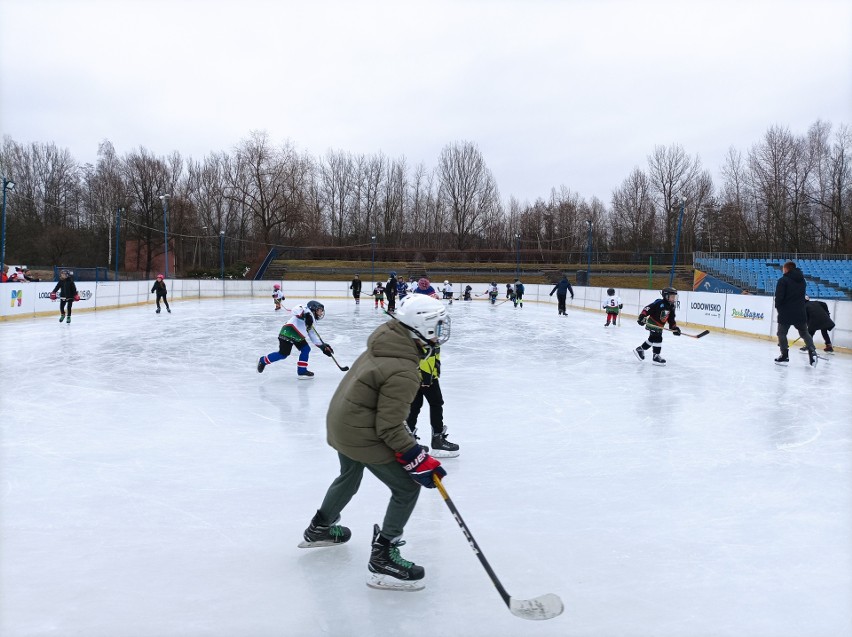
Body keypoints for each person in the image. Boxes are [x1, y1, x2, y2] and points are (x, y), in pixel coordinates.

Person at [298, 294, 450, 592]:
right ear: (424, 327)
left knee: (349, 473)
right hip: (359, 430)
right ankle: (383, 558)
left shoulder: (389, 338)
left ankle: (320, 528)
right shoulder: (405, 369)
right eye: (439, 325)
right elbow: (390, 426)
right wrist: (416, 457)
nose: (443, 330)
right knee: (406, 487)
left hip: (341, 421)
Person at [406, 329, 459, 458]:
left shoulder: (425, 335)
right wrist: (426, 377)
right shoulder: (422, 336)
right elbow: (423, 356)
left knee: (415, 405)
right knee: (436, 403)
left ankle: (408, 440)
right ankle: (437, 439)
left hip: (420, 376)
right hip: (426, 377)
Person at [256, 301, 333, 379]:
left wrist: (323, 347)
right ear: (313, 309)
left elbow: (312, 336)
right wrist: (305, 314)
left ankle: (302, 371)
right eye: (319, 310)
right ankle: (263, 361)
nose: (321, 313)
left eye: (322, 311)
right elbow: (295, 310)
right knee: (283, 354)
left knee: (306, 349)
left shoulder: (313, 322)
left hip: (298, 337)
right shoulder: (305, 309)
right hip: (288, 333)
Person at [774, 261, 817, 367]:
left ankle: (784, 355)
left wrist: (778, 307)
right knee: (804, 332)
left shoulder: (783, 280)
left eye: (783, 269)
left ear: (787, 269)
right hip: (800, 311)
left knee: (781, 333)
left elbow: (779, 297)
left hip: (786, 312)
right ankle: (812, 351)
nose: (783, 271)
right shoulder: (802, 281)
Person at [634, 287, 681, 366]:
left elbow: (671, 319)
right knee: (658, 338)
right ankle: (656, 356)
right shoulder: (659, 303)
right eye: (672, 296)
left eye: (674, 296)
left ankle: (640, 349)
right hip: (653, 323)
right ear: (666, 296)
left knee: (652, 339)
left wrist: (674, 327)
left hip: (660, 326)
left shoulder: (672, 306)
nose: (674, 298)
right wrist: (642, 316)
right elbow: (647, 308)